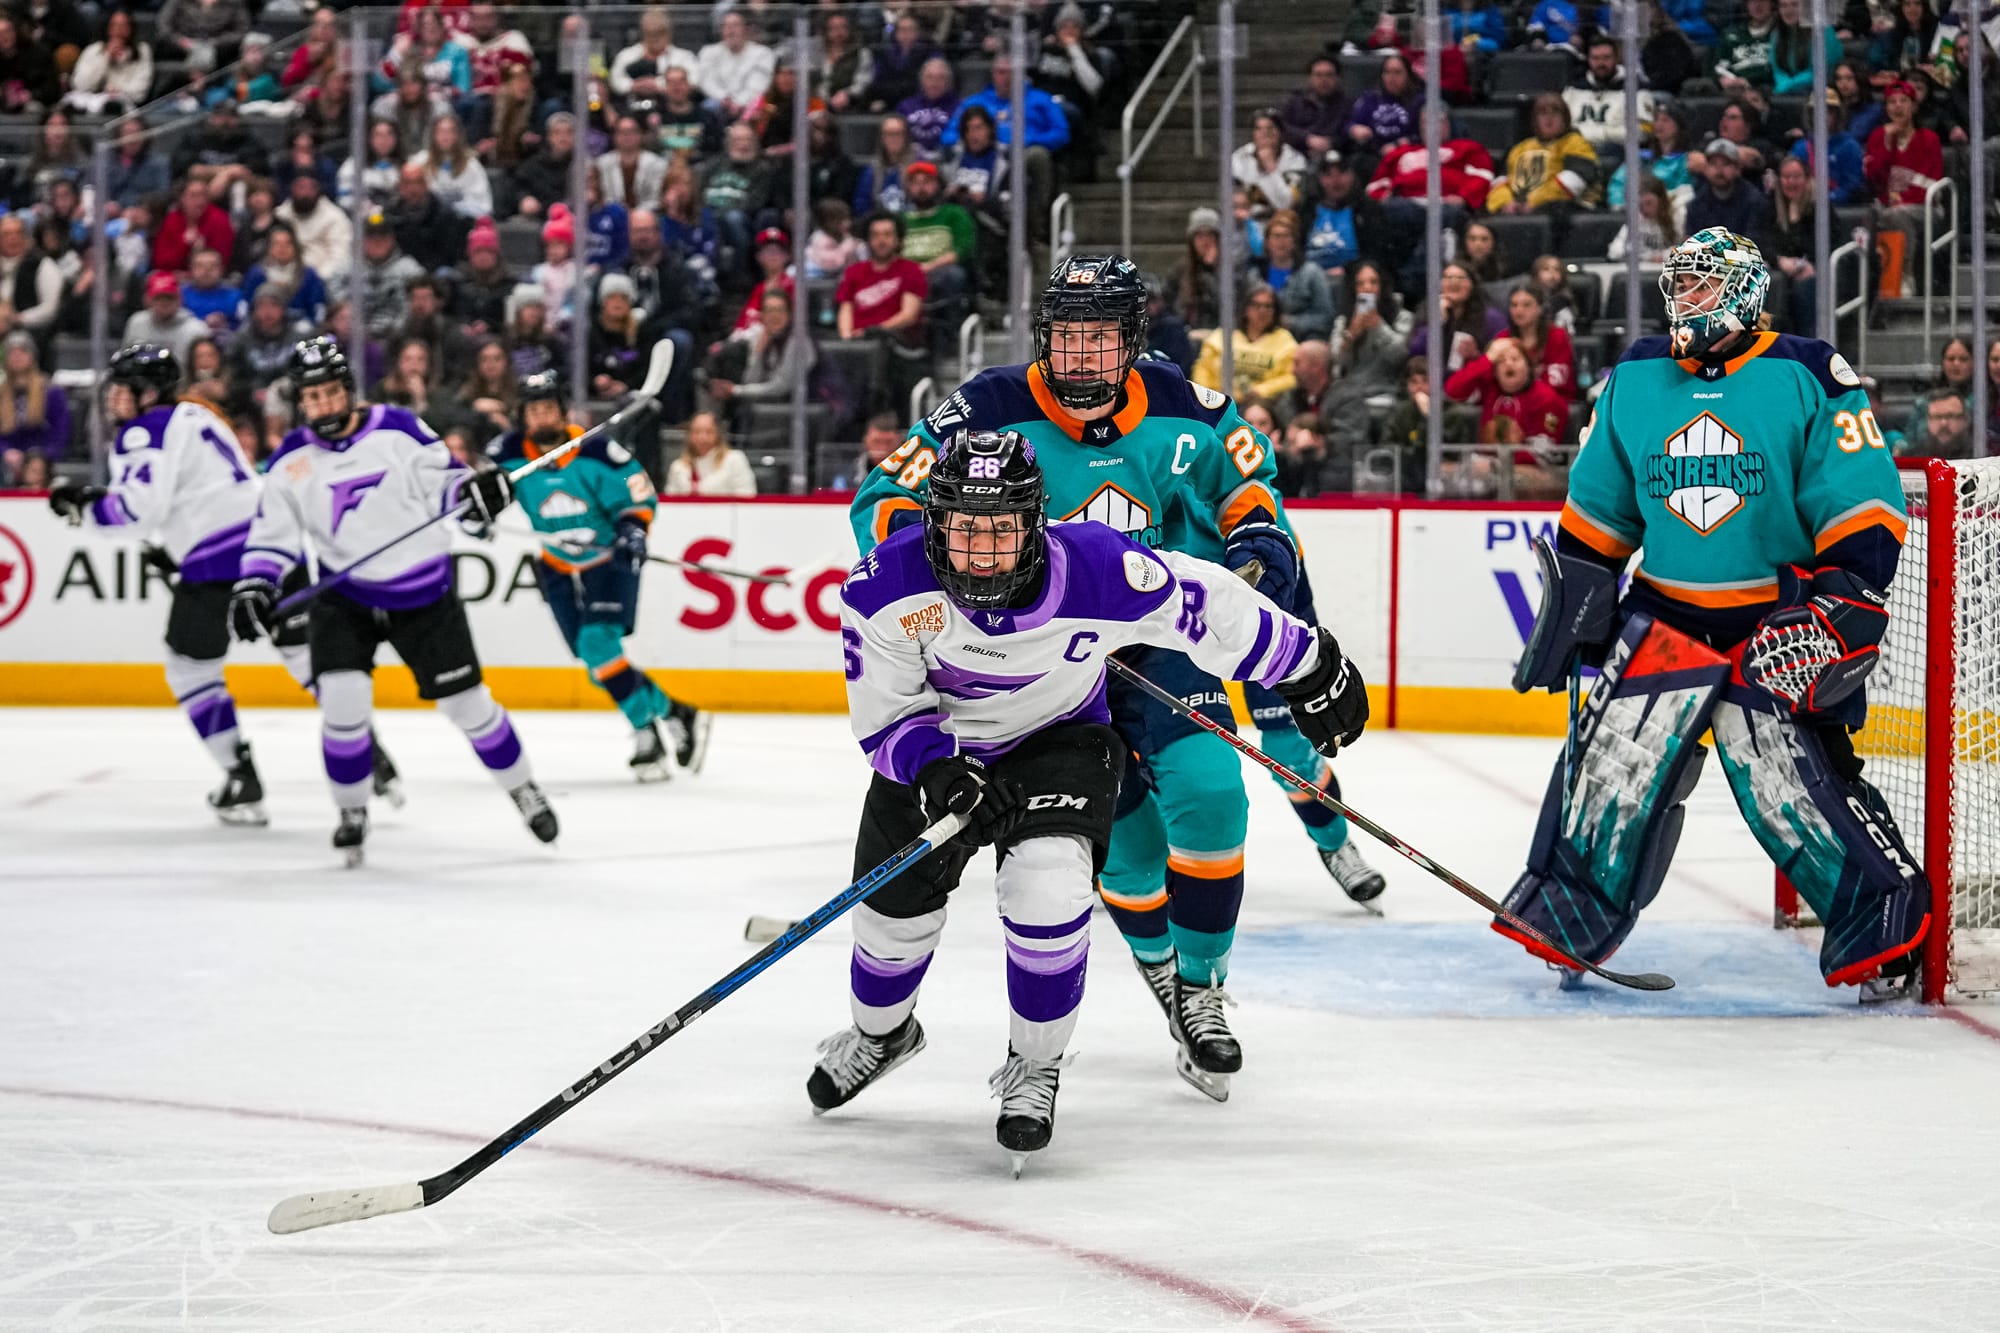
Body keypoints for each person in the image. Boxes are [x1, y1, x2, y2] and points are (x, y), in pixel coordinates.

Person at [849, 254, 1387, 1101]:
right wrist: (931, 580)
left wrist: (1254, 542)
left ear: (1132, 338)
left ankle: (1201, 987)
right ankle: (1161, 970)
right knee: (1127, 856)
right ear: (1043, 336)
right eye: (1068, 335)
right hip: (1041, 657)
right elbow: (885, 498)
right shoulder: (988, 407)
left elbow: (1248, 483)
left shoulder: (1187, 403)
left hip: (1150, 635)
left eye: (1103, 336)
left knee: (1213, 797)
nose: (1084, 355)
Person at [814, 426, 1366, 1167]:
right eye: (961, 531)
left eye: (1000, 533)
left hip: (1058, 744)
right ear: (933, 520)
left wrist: (1310, 661)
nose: (979, 554)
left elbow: (1210, 605)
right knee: (887, 927)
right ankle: (881, 1034)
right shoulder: (884, 585)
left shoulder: (1098, 568)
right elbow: (886, 716)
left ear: (1036, 524)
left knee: (1048, 893)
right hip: (936, 756)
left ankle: (1034, 1065)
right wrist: (937, 770)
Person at [1500, 227, 1928, 998]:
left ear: (1742, 291)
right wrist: (1577, 593)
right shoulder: (1635, 376)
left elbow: (1862, 500)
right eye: (1678, 284)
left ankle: (1885, 933)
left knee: (1794, 790)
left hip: (1777, 625)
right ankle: (1574, 920)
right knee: (1609, 770)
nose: (1682, 299)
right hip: (1664, 613)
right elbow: (1600, 507)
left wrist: (1845, 599)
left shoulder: (1808, 370)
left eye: (1698, 284)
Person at [232, 337, 558, 863]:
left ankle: (523, 788)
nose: (321, 407)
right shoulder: (291, 459)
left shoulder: (398, 428)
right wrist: (255, 584)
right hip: (345, 596)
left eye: (330, 394)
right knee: (341, 707)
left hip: (423, 593)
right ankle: (352, 811)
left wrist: (475, 497)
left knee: (469, 706)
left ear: (349, 390)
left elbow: (448, 488)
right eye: (311, 398)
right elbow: (272, 538)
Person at [47, 344, 266, 823]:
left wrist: (85, 509)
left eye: (125, 390)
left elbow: (139, 510)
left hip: (217, 560)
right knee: (308, 652)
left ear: (148, 393)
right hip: (273, 544)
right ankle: (365, 751)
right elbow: (203, 487)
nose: (116, 399)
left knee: (189, 669)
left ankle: (240, 776)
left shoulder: (143, 430)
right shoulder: (198, 414)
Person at [489, 370, 706, 778]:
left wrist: (633, 528)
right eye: (533, 410)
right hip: (555, 564)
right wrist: (477, 512)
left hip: (609, 559)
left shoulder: (599, 452)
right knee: (596, 662)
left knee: (596, 644)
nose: (542, 417)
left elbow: (637, 486)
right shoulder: (509, 453)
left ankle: (646, 732)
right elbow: (486, 491)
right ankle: (674, 710)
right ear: (523, 416)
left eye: (549, 408)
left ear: (562, 411)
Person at [1487, 95, 1600, 216]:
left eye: (1555, 113)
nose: (1549, 119)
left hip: (1562, 212)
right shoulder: (1519, 148)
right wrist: (1505, 203)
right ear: (1535, 119)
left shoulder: (1575, 143)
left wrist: (1534, 202)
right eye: (1543, 113)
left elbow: (1575, 179)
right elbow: (1500, 182)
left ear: (1565, 119)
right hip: (1517, 211)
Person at [1193, 283, 1299, 403]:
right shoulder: (1223, 336)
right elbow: (1203, 369)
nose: (1262, 311)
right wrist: (1209, 396)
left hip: (1262, 404)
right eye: (1256, 305)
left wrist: (1260, 391)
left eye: (1268, 306)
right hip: (1218, 403)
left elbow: (1291, 378)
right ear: (1245, 309)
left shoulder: (1285, 341)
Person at [1258, 212, 1334, 342]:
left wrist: (1289, 322)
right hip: (1260, 338)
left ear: (1294, 241)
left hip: (1299, 340)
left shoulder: (1312, 273)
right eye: (1276, 236)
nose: (1281, 241)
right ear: (1267, 242)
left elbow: (1325, 318)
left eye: (1286, 236)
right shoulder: (1255, 275)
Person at [1683, 139, 1772, 250]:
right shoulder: (1696, 204)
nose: (1719, 170)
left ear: (1737, 168)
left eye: (1726, 164)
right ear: (1706, 168)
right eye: (1713, 164)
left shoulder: (1754, 200)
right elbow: (1690, 244)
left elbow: (1754, 243)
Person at [0, 328, 69, 470]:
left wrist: (42, 457)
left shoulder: (51, 391)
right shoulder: (1, 391)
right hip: (8, 460)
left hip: (43, 457)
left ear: (32, 355)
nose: (16, 356)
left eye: (22, 351)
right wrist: (5, 451)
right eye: (12, 352)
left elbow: (60, 431)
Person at [1898, 337, 1975, 451]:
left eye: (1963, 359)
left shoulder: (1983, 401)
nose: (1956, 364)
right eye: (1950, 359)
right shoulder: (1924, 401)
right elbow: (1909, 440)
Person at [275, 171, 353, 281]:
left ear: (318, 190)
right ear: (292, 188)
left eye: (310, 187)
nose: (305, 193)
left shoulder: (335, 218)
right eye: (300, 187)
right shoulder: (280, 215)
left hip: (321, 279)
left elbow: (340, 257)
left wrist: (317, 278)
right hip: (282, 278)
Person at [697, 11, 775, 121]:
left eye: (735, 26)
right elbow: (706, 81)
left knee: (759, 109)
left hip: (750, 103)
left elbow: (758, 85)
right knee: (708, 107)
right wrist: (724, 98)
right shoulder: (708, 52)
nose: (730, 31)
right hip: (719, 102)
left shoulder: (762, 53)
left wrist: (739, 102)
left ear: (745, 29)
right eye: (726, 26)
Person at [121, 271, 210, 366]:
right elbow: (126, 360)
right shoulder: (136, 323)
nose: (164, 303)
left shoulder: (197, 330)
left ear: (180, 299)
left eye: (169, 297)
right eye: (158, 298)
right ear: (147, 299)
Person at [1232, 110, 1307, 221]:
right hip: (1248, 221)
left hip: (1284, 223)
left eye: (1270, 128)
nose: (1264, 133)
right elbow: (1235, 200)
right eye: (1259, 129)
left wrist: (1271, 167)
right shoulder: (1239, 158)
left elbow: (1286, 205)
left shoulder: (1296, 161)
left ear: (1280, 132)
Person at [664, 409, 757, 497]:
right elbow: (670, 503)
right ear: (689, 435)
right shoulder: (678, 467)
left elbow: (747, 496)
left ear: (718, 434)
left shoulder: (735, 459)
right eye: (697, 432)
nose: (703, 438)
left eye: (709, 432)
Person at [1279, 57, 1351, 161]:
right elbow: (1281, 126)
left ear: (1337, 78)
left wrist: (1331, 143)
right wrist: (1307, 139)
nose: (1323, 80)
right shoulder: (1294, 101)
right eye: (1318, 75)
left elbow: (1348, 132)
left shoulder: (1347, 104)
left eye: (1329, 75)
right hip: (1297, 154)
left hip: (1335, 156)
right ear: (1310, 78)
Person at [897, 56, 961, 158]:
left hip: (944, 163)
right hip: (910, 162)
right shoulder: (905, 106)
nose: (934, 83)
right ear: (921, 80)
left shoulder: (959, 107)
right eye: (929, 77)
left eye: (941, 78)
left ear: (949, 82)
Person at [1608, 174, 1679, 264]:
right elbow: (1615, 251)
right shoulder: (1637, 217)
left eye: (1649, 203)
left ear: (1662, 200)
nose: (1645, 210)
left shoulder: (1678, 215)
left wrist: (1665, 256)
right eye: (1639, 205)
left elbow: (1690, 250)